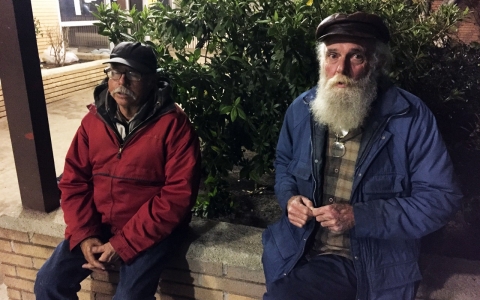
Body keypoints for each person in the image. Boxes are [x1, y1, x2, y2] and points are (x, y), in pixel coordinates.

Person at [261, 12, 462, 300]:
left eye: (356, 56)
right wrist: (290, 199)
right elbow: (283, 166)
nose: (340, 68)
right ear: (322, 60)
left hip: (369, 264)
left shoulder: (410, 116)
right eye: (332, 55)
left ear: (376, 62)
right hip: (296, 250)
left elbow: (440, 199)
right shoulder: (301, 109)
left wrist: (360, 216)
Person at [34, 41, 201, 299]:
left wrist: (123, 243)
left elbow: (177, 197)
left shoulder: (174, 126)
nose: (121, 81)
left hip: (148, 231)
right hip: (99, 225)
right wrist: (85, 235)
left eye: (132, 74)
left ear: (152, 80)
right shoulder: (93, 122)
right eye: (114, 72)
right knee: (47, 283)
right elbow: (73, 181)